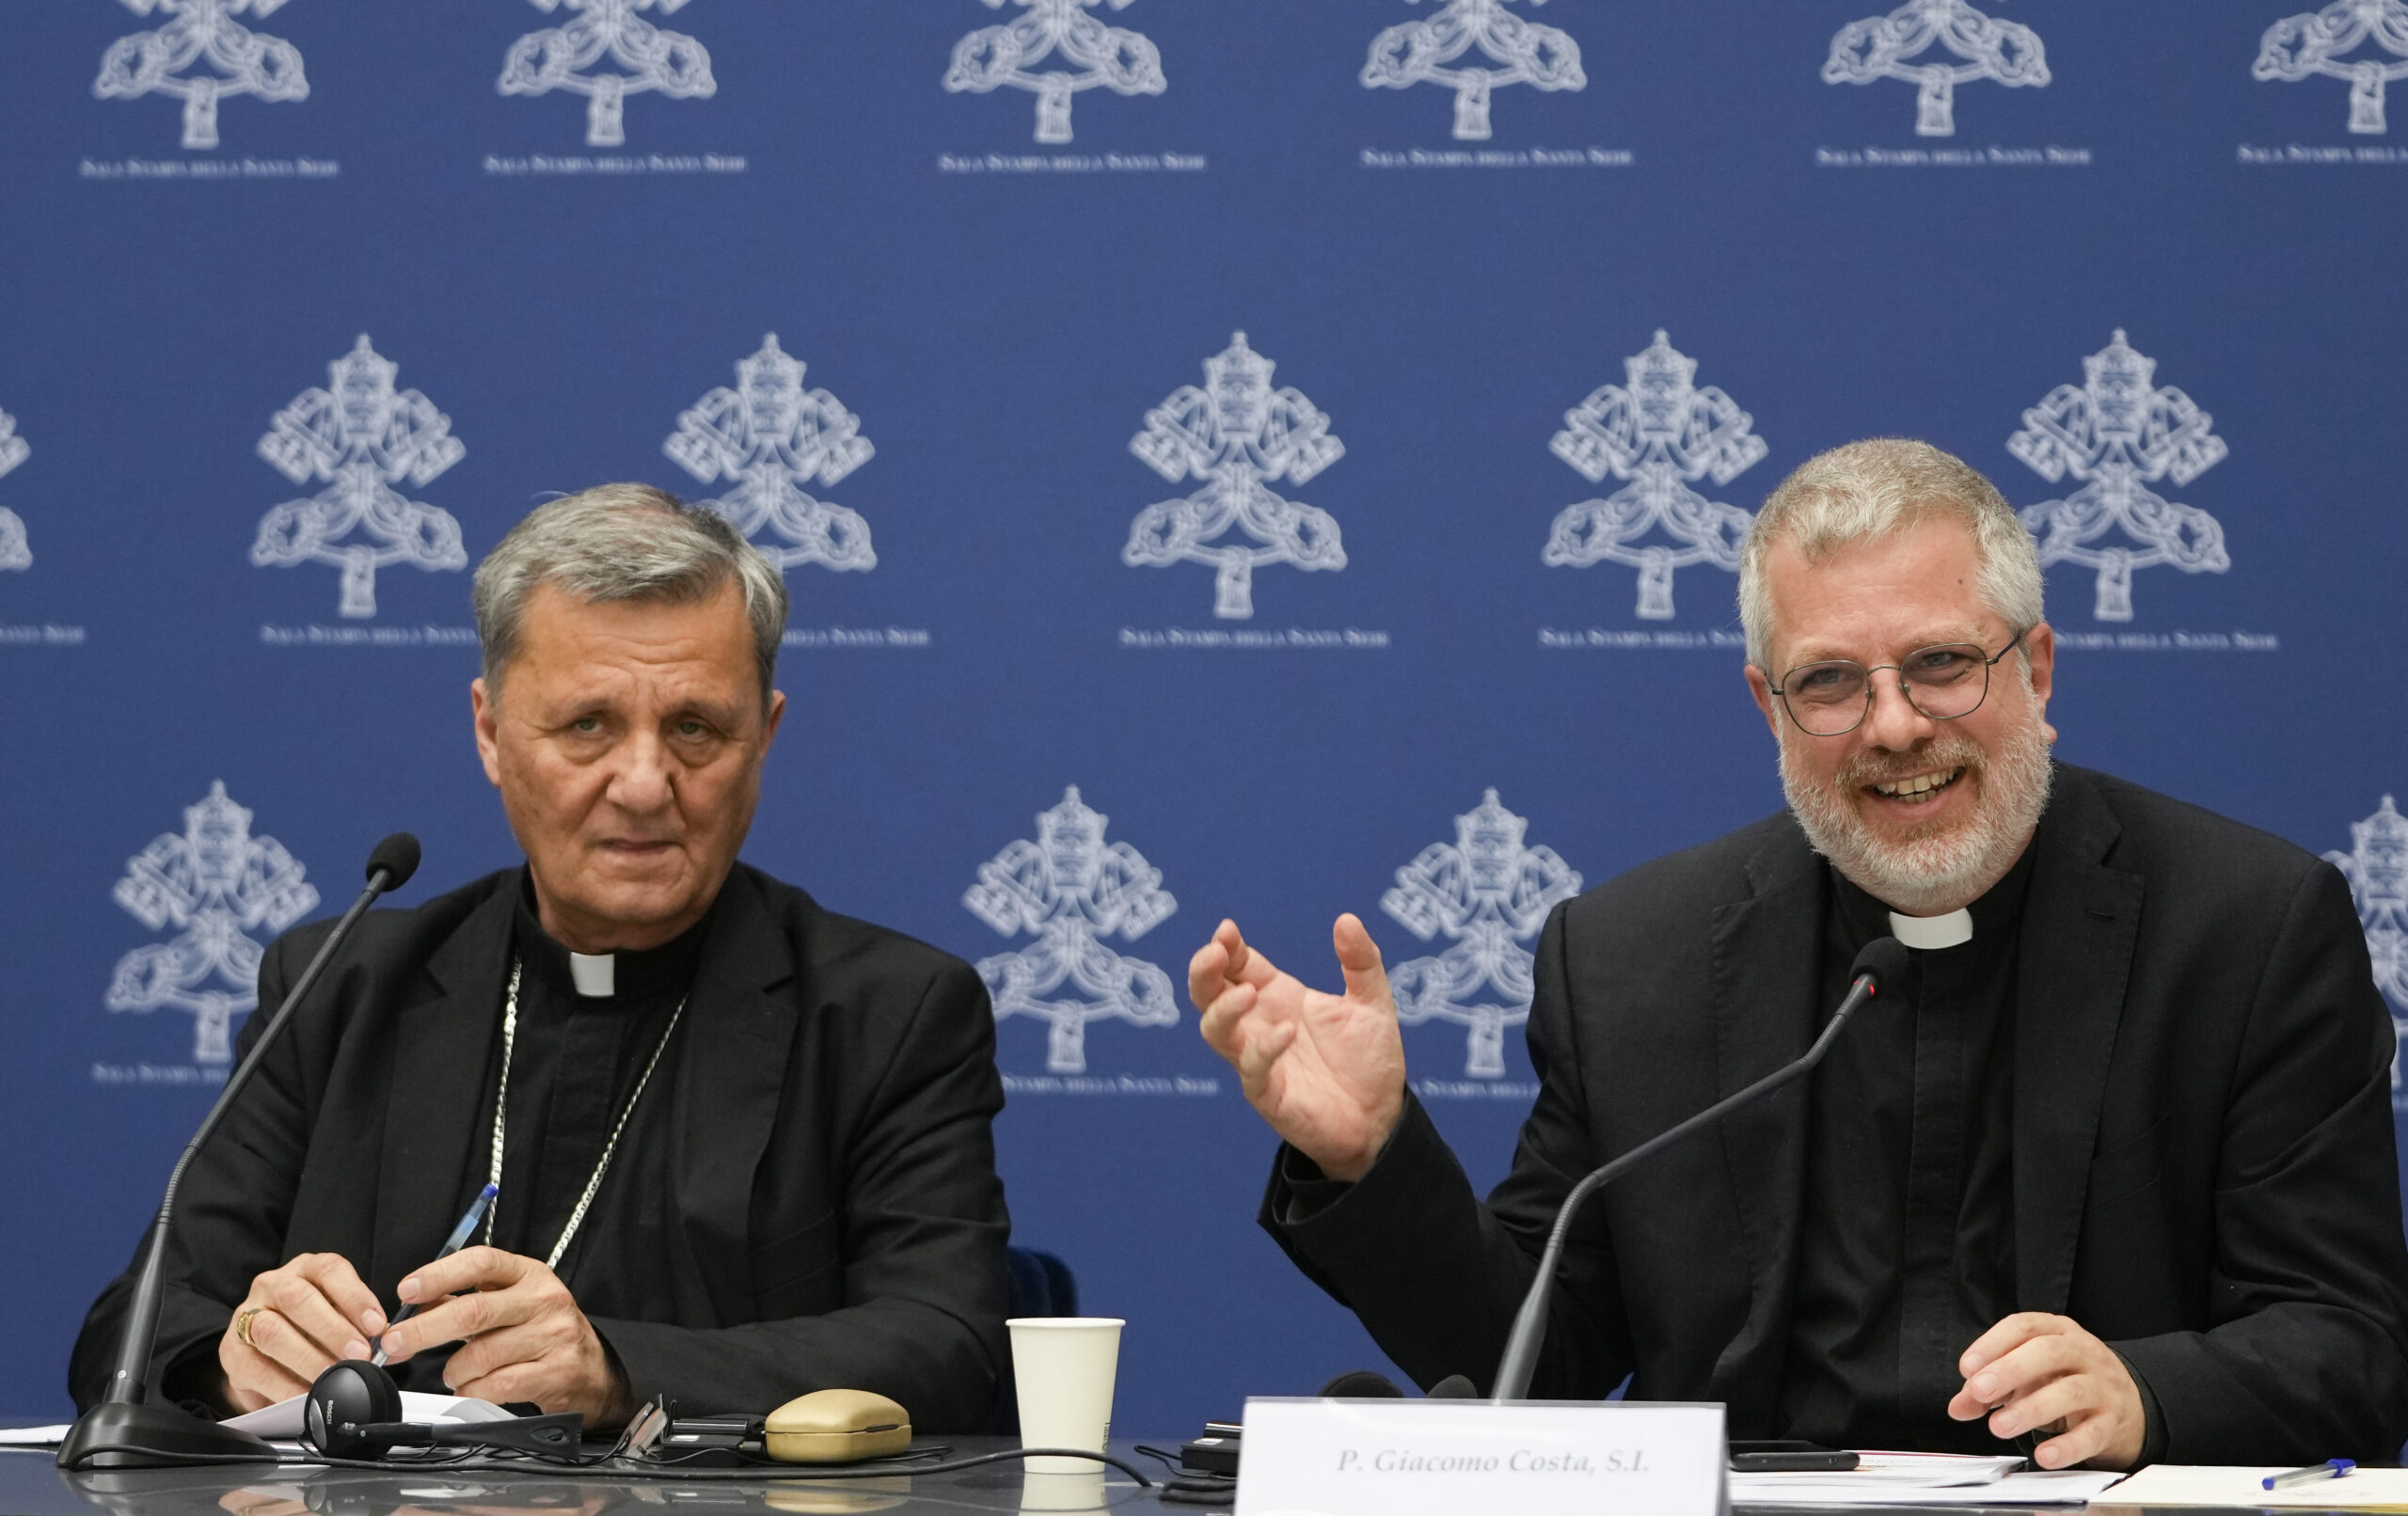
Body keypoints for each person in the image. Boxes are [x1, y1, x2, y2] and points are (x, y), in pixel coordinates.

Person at [1190, 438, 2408, 1468]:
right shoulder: (1630, 955)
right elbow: (1539, 1361)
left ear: (2034, 669)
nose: (1892, 726)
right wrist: (1369, 1159)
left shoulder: (2246, 927)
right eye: (1830, 682)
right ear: (1769, 708)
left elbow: (2351, 1338)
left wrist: (2150, 1396)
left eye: (1940, 664)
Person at [71, 484, 1010, 1431]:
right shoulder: (339, 989)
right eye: (587, 725)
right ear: (490, 732)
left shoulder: (891, 1011)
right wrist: (235, 1358)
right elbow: (131, 1329)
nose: (644, 784)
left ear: (762, 737)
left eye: (694, 727)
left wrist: (617, 1370)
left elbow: (950, 1345)